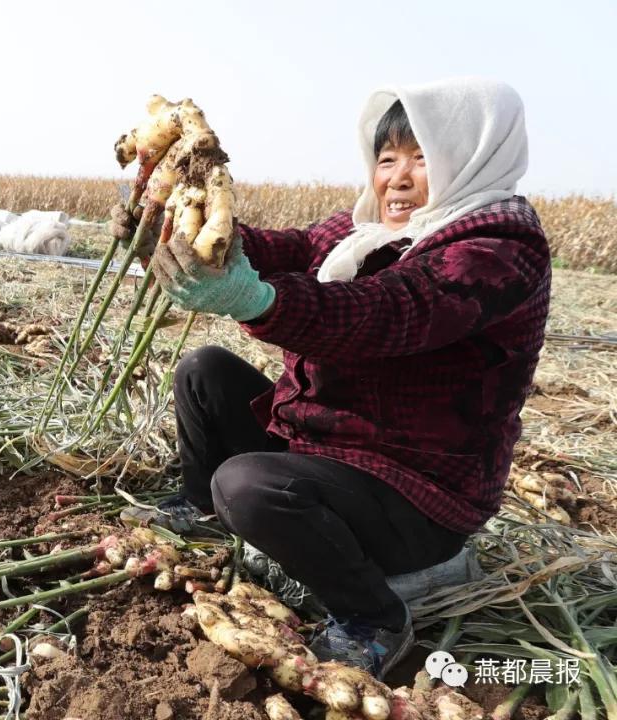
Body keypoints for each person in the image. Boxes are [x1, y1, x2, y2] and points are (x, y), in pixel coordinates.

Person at [111, 78, 549, 678]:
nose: (397, 177)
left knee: (246, 485)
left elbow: (390, 311)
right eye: (387, 158)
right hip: (327, 452)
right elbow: (289, 249)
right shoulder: (364, 229)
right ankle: (198, 505)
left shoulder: (499, 248)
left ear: (471, 158)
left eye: (423, 158)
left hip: (414, 493)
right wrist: (179, 230)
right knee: (203, 370)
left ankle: (374, 619)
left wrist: (259, 301)